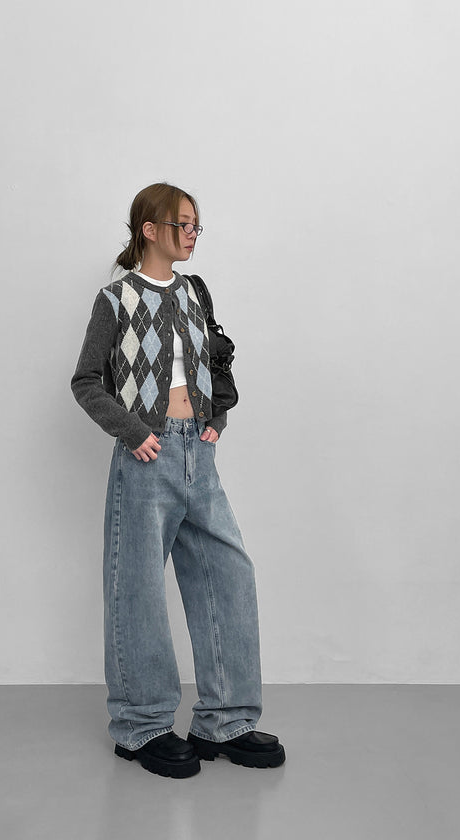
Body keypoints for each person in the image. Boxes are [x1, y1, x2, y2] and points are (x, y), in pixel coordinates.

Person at [71, 182, 285, 778]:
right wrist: (132, 430)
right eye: (182, 224)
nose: (192, 234)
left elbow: (214, 361)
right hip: (146, 454)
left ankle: (226, 720)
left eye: (196, 225)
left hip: (199, 453)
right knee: (137, 587)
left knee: (228, 573)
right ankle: (141, 726)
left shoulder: (195, 291)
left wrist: (216, 417)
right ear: (149, 229)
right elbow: (86, 381)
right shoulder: (114, 300)